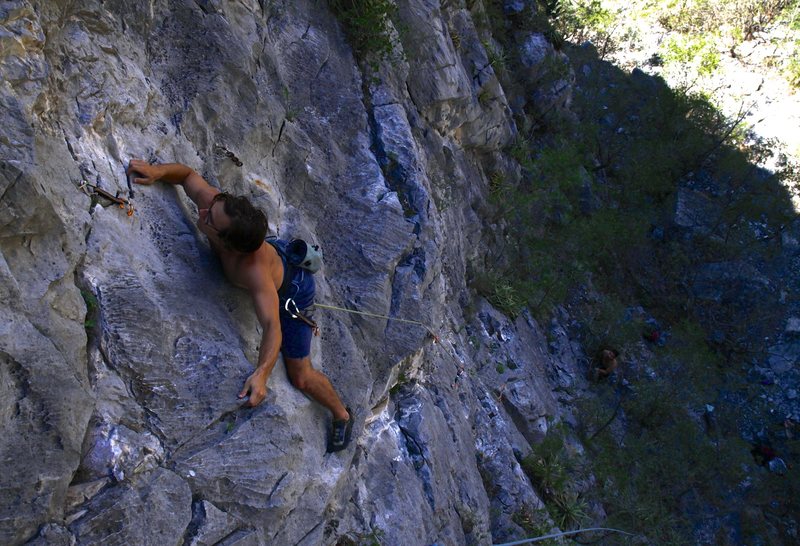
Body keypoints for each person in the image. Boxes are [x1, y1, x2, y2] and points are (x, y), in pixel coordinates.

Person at [127, 160, 352, 452]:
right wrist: (158, 172)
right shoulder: (217, 208)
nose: (203, 213)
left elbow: (273, 326)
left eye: (210, 220)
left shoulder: (253, 271)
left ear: (228, 245)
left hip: (293, 289)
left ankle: (341, 414)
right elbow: (187, 175)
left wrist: (261, 373)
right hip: (274, 253)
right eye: (210, 210)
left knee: (301, 376)